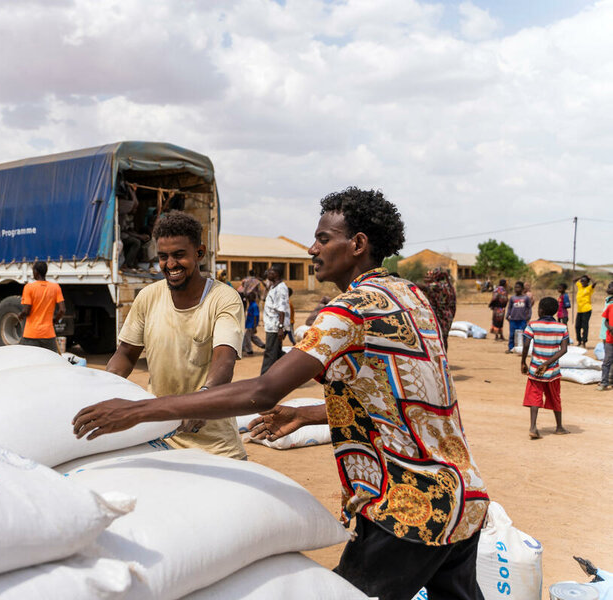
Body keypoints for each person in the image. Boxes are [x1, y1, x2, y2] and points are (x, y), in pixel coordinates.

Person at [74, 187, 488, 599]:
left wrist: (140, 410)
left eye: (323, 239)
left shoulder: (348, 310)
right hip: (463, 496)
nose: (312, 248)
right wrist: (308, 415)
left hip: (407, 508)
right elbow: (408, 397)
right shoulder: (411, 296)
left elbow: (263, 389)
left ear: (358, 244)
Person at [104, 210, 246, 460]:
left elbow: (224, 359)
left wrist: (202, 401)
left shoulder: (223, 299)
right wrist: (100, 390)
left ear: (199, 253)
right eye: (163, 256)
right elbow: (125, 355)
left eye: (179, 255)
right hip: (160, 439)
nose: (170, 265)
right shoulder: (148, 297)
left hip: (214, 445)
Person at [520, 297, 570, 438]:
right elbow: (564, 349)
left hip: (535, 369)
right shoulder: (562, 327)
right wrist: (547, 364)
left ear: (540, 310)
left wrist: (523, 362)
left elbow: (525, 344)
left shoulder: (533, 325)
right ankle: (559, 427)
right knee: (555, 397)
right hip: (552, 370)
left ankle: (533, 427)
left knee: (534, 396)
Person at [19, 261, 65, 353]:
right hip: (48, 334)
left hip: (31, 334)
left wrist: (20, 315)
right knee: (51, 362)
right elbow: (62, 310)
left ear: (36, 272)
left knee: (30, 362)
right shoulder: (55, 287)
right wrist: (54, 321)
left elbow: (27, 310)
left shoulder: (29, 287)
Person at [261, 265, 289, 375]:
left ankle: (263, 378)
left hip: (275, 326)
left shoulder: (281, 288)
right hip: (271, 325)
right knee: (277, 353)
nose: (268, 273)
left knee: (270, 353)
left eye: (270, 271)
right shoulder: (273, 286)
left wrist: (280, 328)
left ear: (277, 274)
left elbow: (281, 309)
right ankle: (289, 372)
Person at [422, 268, 457, 352]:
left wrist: (404, 282)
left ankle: (440, 360)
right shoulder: (450, 287)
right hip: (448, 316)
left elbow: (424, 287)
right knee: (444, 338)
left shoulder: (439, 286)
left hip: (440, 316)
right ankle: (444, 358)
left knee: (438, 338)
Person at [505, 281, 532, 354]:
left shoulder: (526, 298)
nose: (517, 289)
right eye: (515, 287)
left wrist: (528, 316)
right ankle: (511, 348)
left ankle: (523, 349)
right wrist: (507, 315)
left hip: (522, 319)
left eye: (518, 287)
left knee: (523, 334)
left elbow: (529, 308)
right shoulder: (512, 298)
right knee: (512, 334)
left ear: (522, 288)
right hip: (513, 319)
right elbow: (509, 307)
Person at [599, 282, 613, 392]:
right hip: (608, 334)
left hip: (608, 334)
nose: (608, 289)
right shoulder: (608, 301)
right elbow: (606, 320)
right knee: (607, 358)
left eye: (610, 287)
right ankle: (605, 381)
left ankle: (610, 379)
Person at [574, 275, 596, 347]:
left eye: (584, 281)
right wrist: (581, 277)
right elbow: (574, 280)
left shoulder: (589, 288)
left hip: (587, 310)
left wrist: (589, 277)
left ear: (587, 282)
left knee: (584, 326)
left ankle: (584, 341)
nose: (582, 282)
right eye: (581, 281)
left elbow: (595, 283)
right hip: (579, 310)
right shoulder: (580, 286)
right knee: (577, 326)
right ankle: (579, 341)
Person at [242, 291, 265, 356]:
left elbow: (255, 316)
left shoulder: (254, 306)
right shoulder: (251, 305)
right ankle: (262, 345)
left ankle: (249, 350)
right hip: (249, 324)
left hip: (251, 325)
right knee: (252, 337)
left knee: (247, 337)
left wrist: (255, 326)